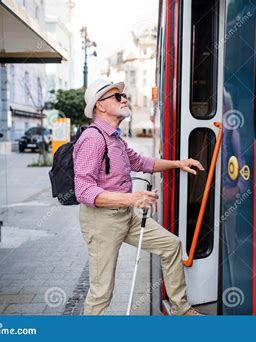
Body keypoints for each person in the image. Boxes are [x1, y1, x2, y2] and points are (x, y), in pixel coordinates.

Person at [73, 79, 205, 316]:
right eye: (117, 97)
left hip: (126, 215)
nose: (124, 99)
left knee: (171, 245)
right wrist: (132, 199)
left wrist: (178, 163)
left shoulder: (115, 138)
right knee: (102, 290)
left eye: (123, 96)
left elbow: (143, 163)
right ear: (100, 106)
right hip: (101, 221)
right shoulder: (92, 139)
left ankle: (181, 310)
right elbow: (83, 191)